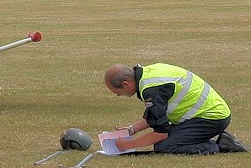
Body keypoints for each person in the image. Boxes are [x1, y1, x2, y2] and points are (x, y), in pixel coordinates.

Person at [103, 62, 244, 154]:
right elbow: (156, 116)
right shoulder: (148, 75)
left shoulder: (152, 89)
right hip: (206, 115)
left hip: (211, 118)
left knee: (164, 147)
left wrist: (127, 146)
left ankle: (222, 146)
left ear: (126, 84)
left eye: (117, 92)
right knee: (165, 142)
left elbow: (161, 132)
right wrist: (131, 130)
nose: (118, 96)